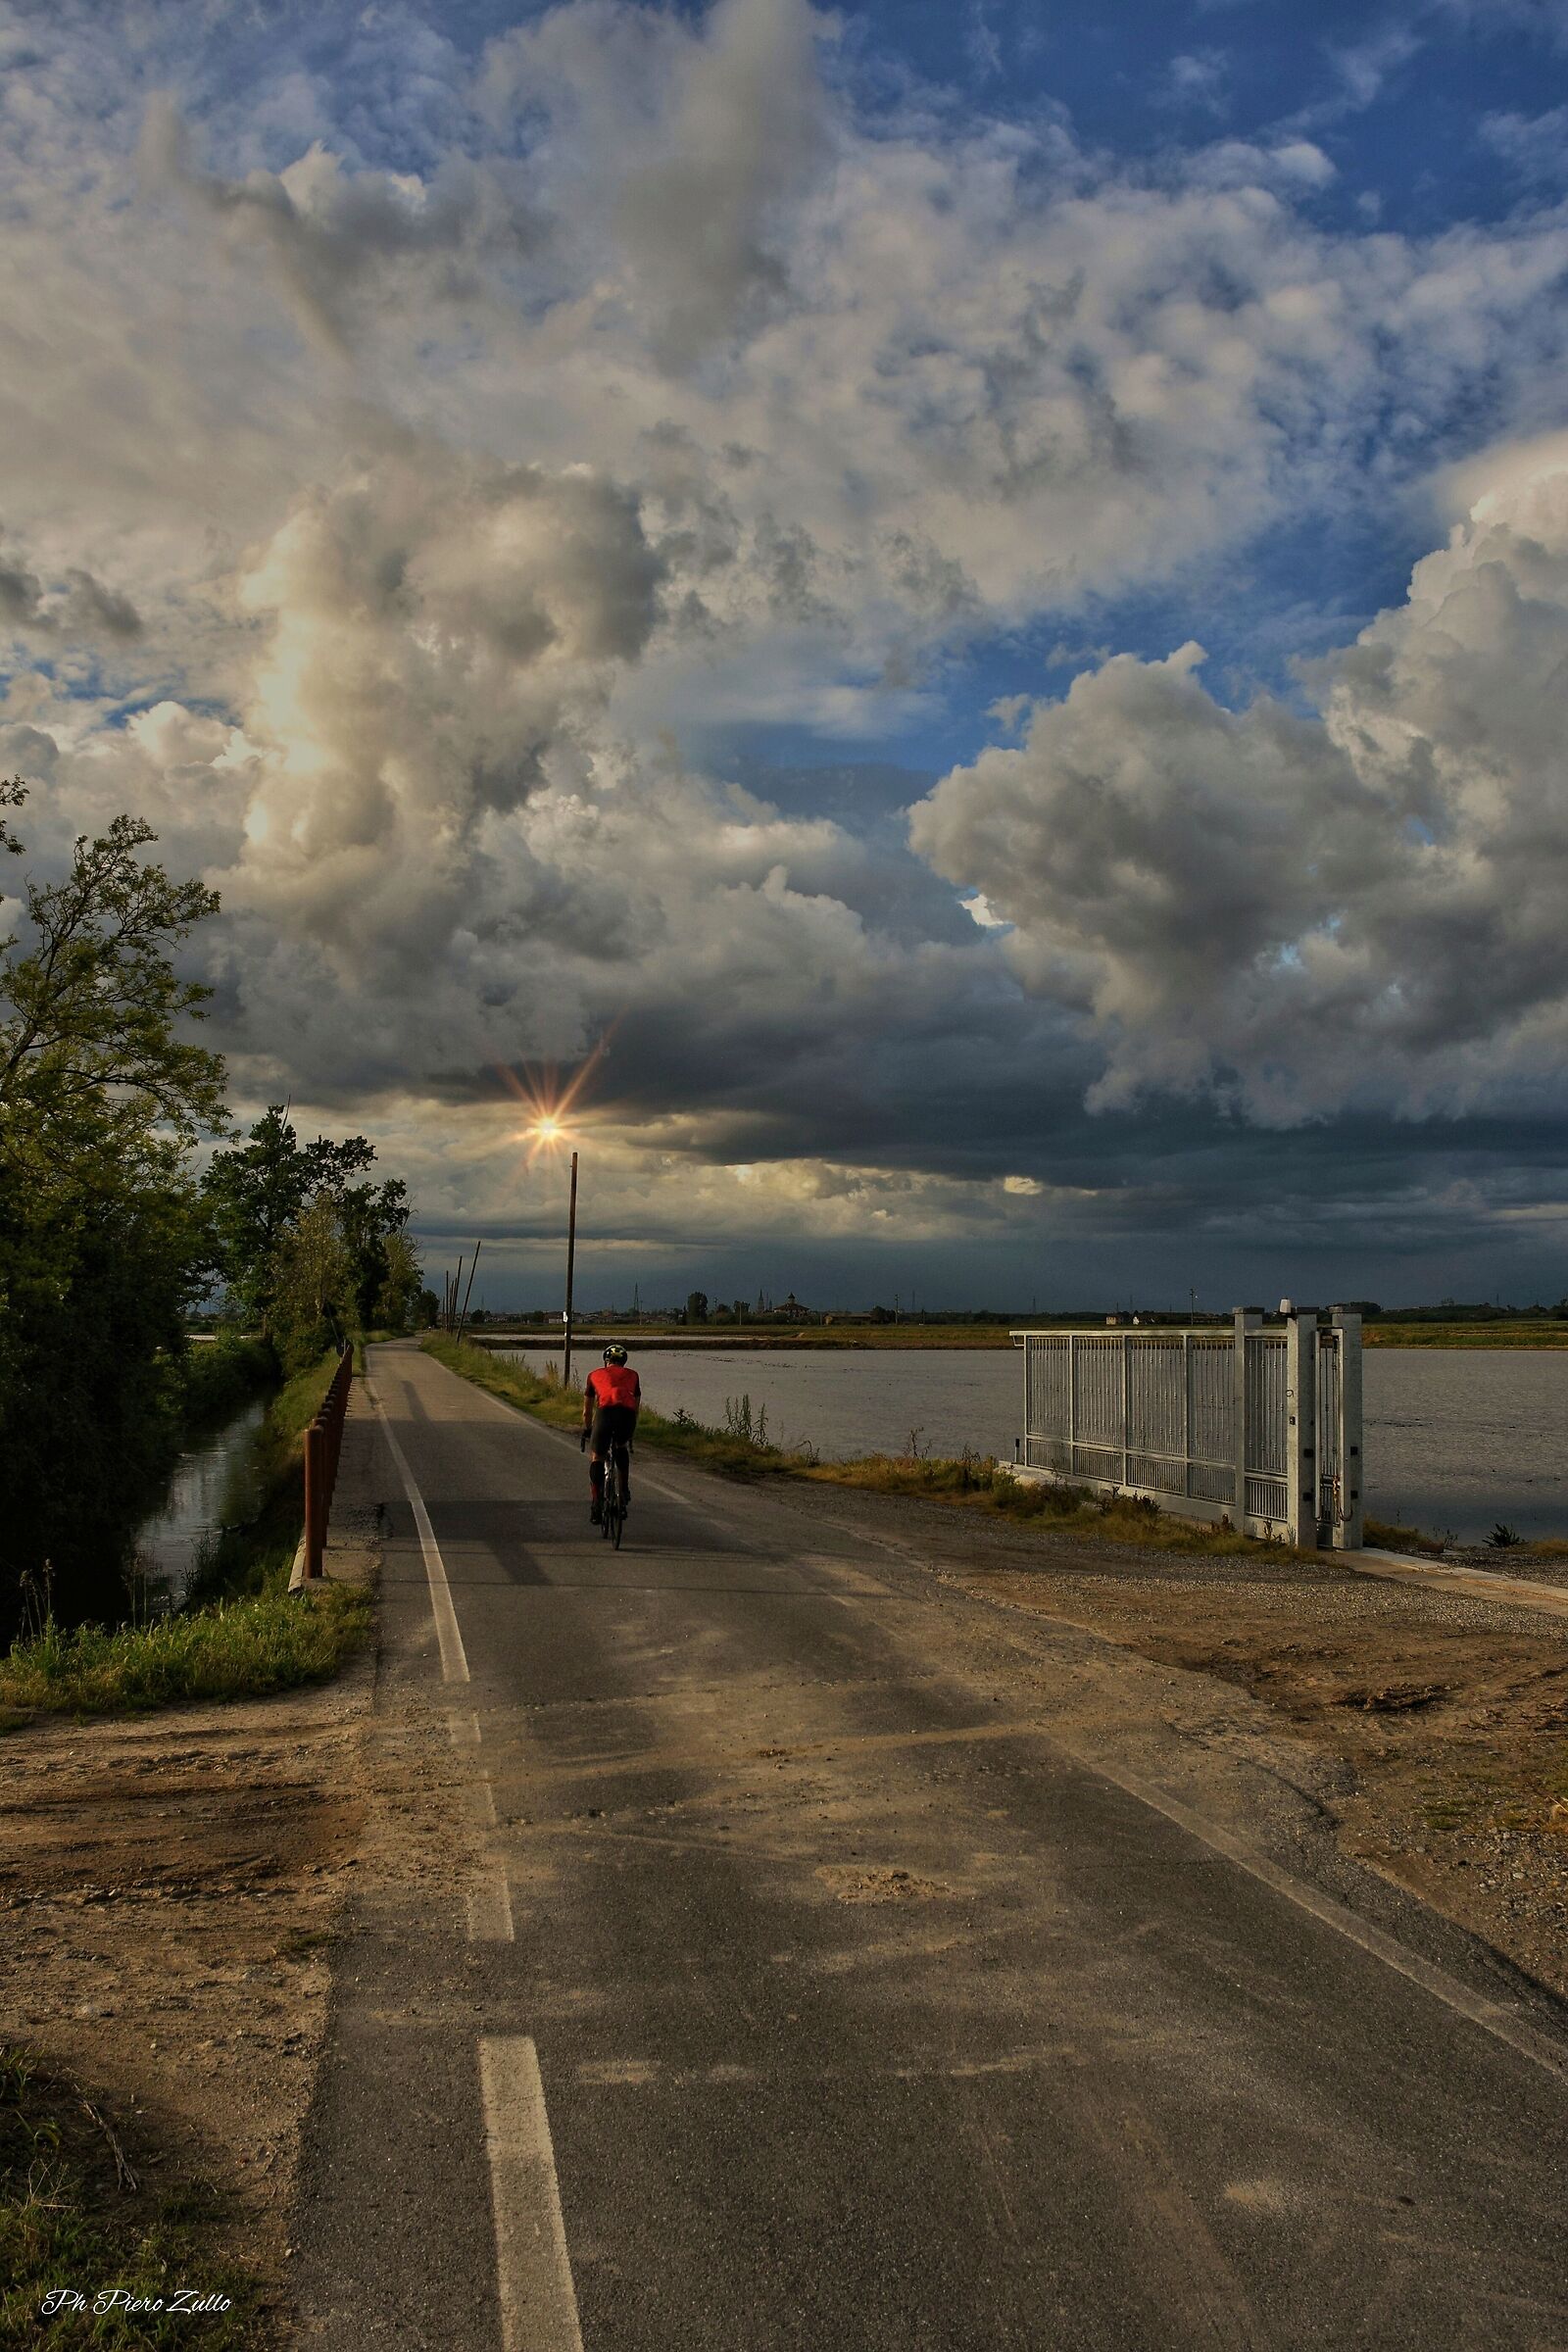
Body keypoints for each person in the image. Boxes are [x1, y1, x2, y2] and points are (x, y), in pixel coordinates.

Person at [580, 1344, 640, 1524]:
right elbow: (635, 1407)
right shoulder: (633, 1375)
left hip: (605, 1414)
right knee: (620, 1446)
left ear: (606, 1361)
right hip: (627, 1415)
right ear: (624, 1362)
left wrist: (587, 1429)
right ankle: (623, 1491)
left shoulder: (594, 1375)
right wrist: (630, 1434)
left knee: (597, 1456)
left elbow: (587, 1411)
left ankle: (596, 1502)